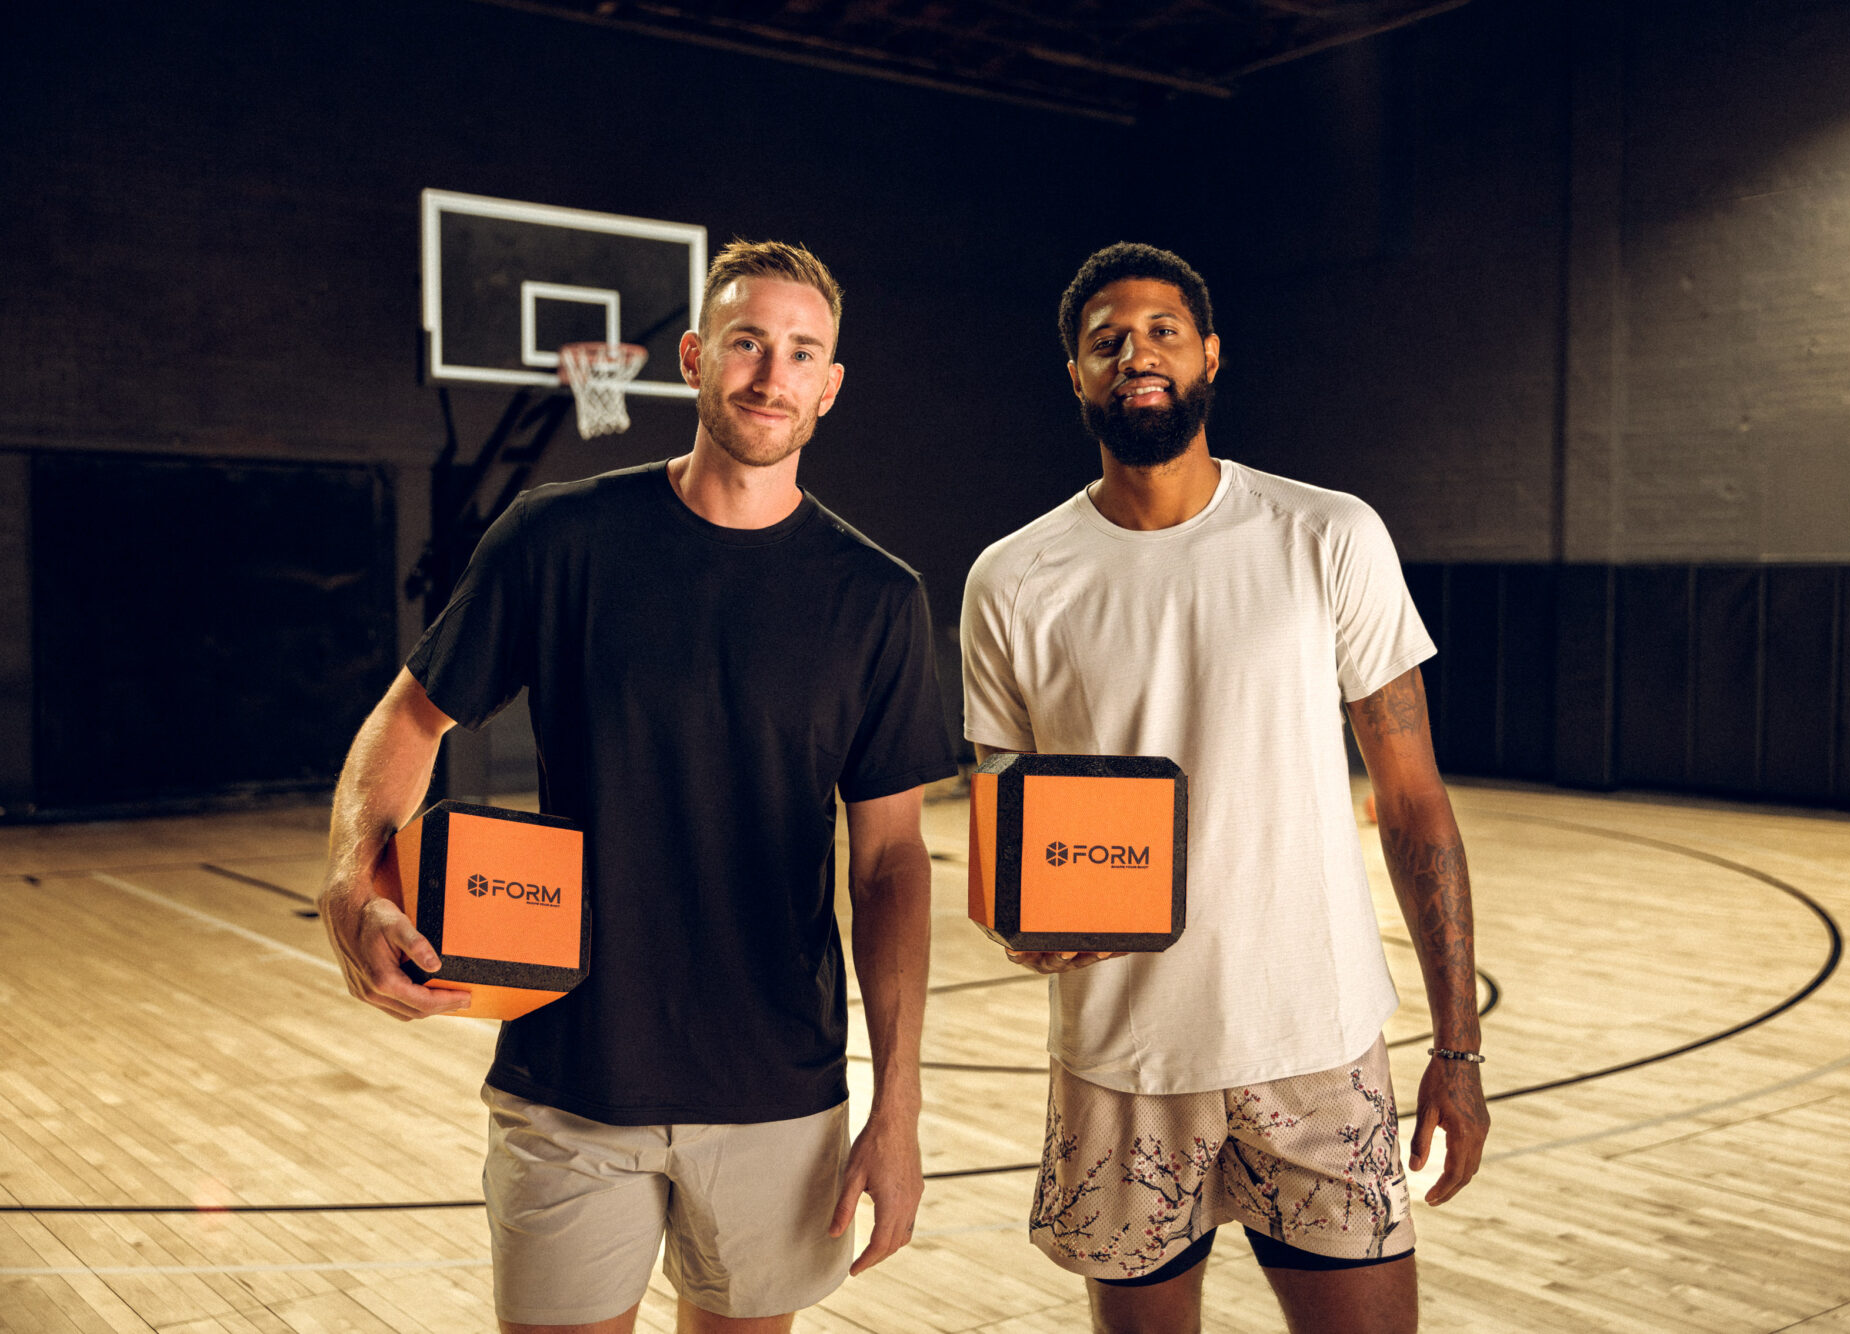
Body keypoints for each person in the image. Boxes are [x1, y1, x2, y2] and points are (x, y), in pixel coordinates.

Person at [317, 241, 959, 1334]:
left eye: (802, 352)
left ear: (829, 387)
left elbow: (891, 858)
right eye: (748, 342)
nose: (771, 373)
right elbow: (409, 715)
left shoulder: (877, 598)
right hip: (567, 1074)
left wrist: (895, 1103)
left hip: (777, 1090)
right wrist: (349, 879)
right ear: (696, 357)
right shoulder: (559, 538)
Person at [960, 243, 1487, 1334]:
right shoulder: (1011, 577)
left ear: (1208, 353)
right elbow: (1002, 819)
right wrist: (1020, 920)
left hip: (1314, 1039)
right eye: (1104, 337)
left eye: (1160, 329)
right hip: (1122, 1059)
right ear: (1074, 373)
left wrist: (1457, 1045)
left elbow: (1413, 799)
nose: (1132, 351)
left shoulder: (1326, 533)